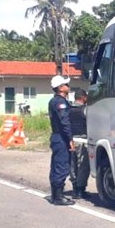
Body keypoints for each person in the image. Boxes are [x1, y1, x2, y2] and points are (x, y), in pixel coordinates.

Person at [47, 75, 76, 206]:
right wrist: (70, 139)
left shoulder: (54, 101)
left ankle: (55, 195)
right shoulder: (60, 102)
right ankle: (58, 196)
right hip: (61, 138)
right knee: (62, 165)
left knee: (56, 165)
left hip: (57, 137)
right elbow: (65, 122)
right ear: (60, 88)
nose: (68, 86)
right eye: (66, 85)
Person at [68, 88, 91, 199]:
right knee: (83, 166)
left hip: (71, 140)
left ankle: (74, 189)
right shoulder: (85, 110)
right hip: (82, 141)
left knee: (72, 165)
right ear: (83, 97)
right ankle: (80, 190)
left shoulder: (68, 109)